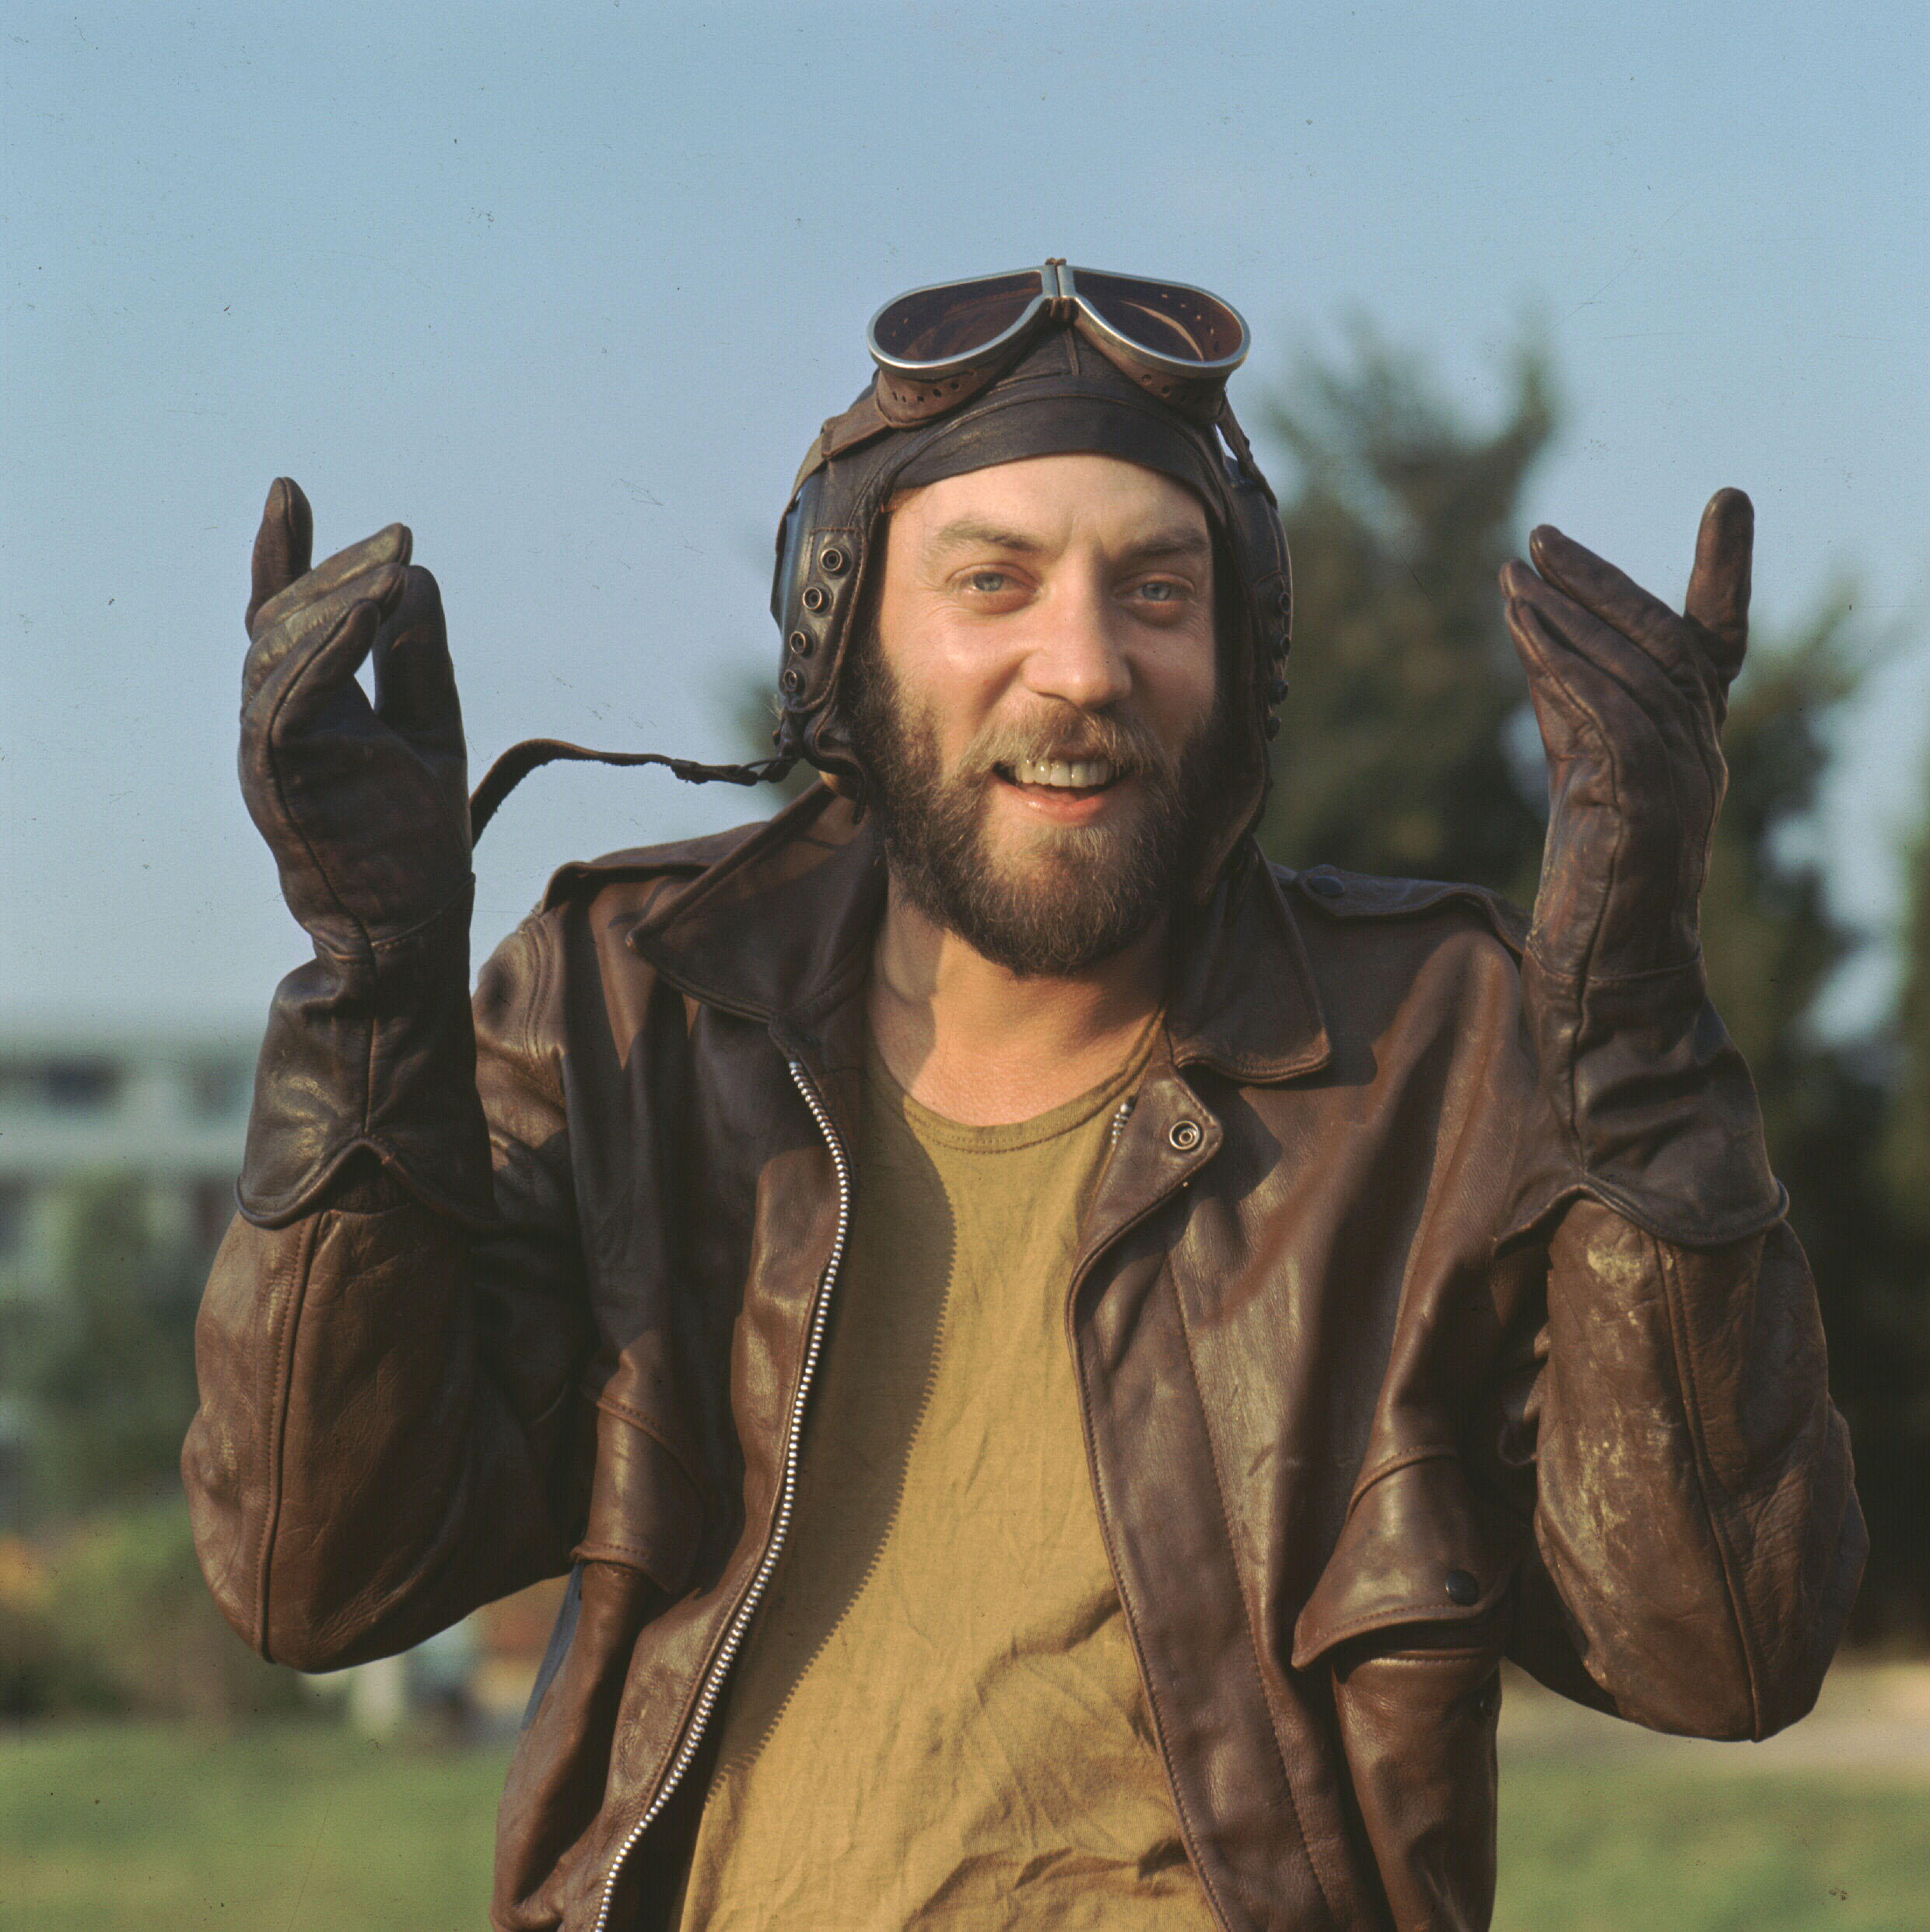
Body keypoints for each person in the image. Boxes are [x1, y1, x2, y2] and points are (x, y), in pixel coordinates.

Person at [185, 263, 1865, 1932]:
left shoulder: (1443, 1049)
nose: (1080, 666)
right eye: (992, 583)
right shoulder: (628, 1012)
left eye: (1153, 593)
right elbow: (317, 1575)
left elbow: (1716, 1651)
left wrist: (1637, 1060)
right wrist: (372, 992)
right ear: (840, 644)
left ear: (1238, 651)